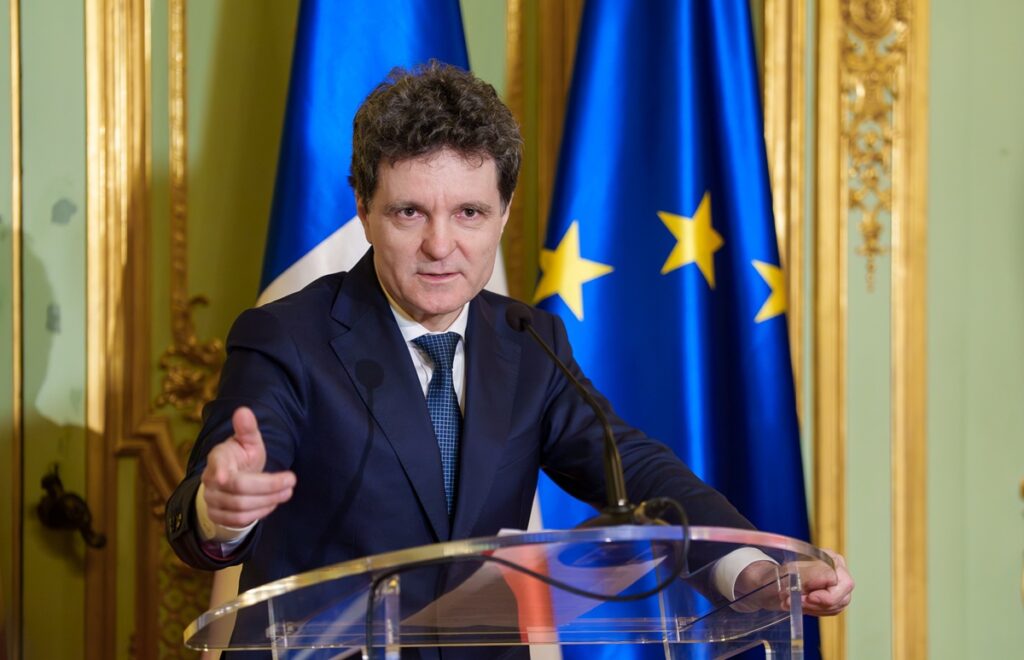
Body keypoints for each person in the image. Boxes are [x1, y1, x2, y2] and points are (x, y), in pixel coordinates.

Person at [166, 62, 852, 652]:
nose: (441, 246)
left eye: (468, 212)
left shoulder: (527, 341)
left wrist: (750, 565)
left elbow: (633, 469)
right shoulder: (286, 337)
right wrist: (223, 511)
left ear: (503, 211)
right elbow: (207, 514)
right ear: (365, 208)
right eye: (409, 213)